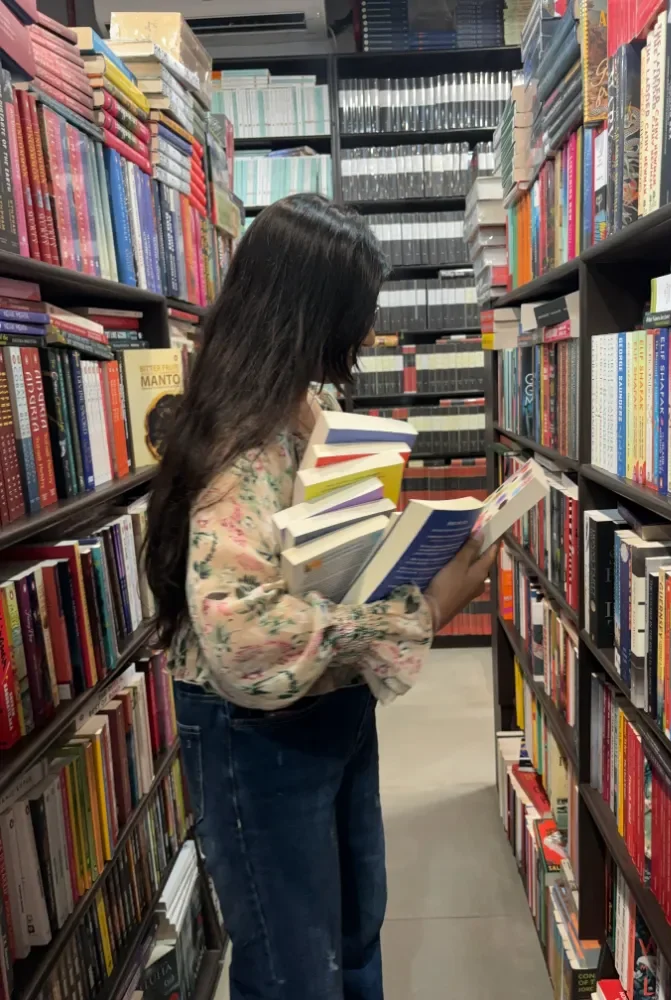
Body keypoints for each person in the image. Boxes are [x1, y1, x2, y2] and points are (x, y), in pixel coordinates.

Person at [145, 194, 497, 1000]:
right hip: (255, 735)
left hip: (332, 710)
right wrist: (422, 609)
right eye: (355, 314)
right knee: (292, 965)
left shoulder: (312, 410)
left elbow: (318, 557)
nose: (364, 336)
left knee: (353, 928)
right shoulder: (237, 446)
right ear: (308, 313)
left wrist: (398, 550)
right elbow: (240, 636)